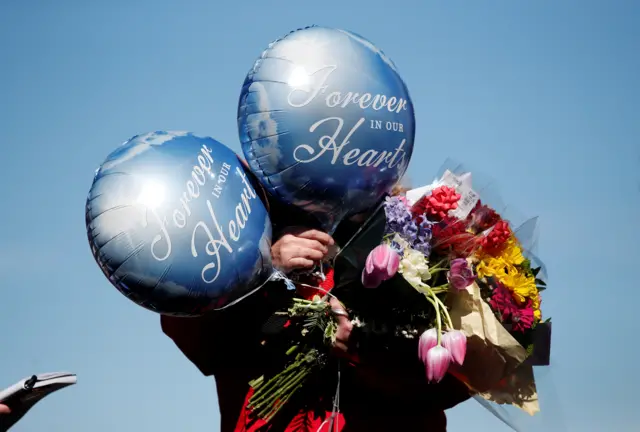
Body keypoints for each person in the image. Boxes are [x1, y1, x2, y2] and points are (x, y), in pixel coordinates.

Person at [161, 170, 470, 431]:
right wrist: (260, 266)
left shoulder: (418, 236)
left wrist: (365, 348)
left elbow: (460, 381)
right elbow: (193, 333)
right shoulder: (238, 238)